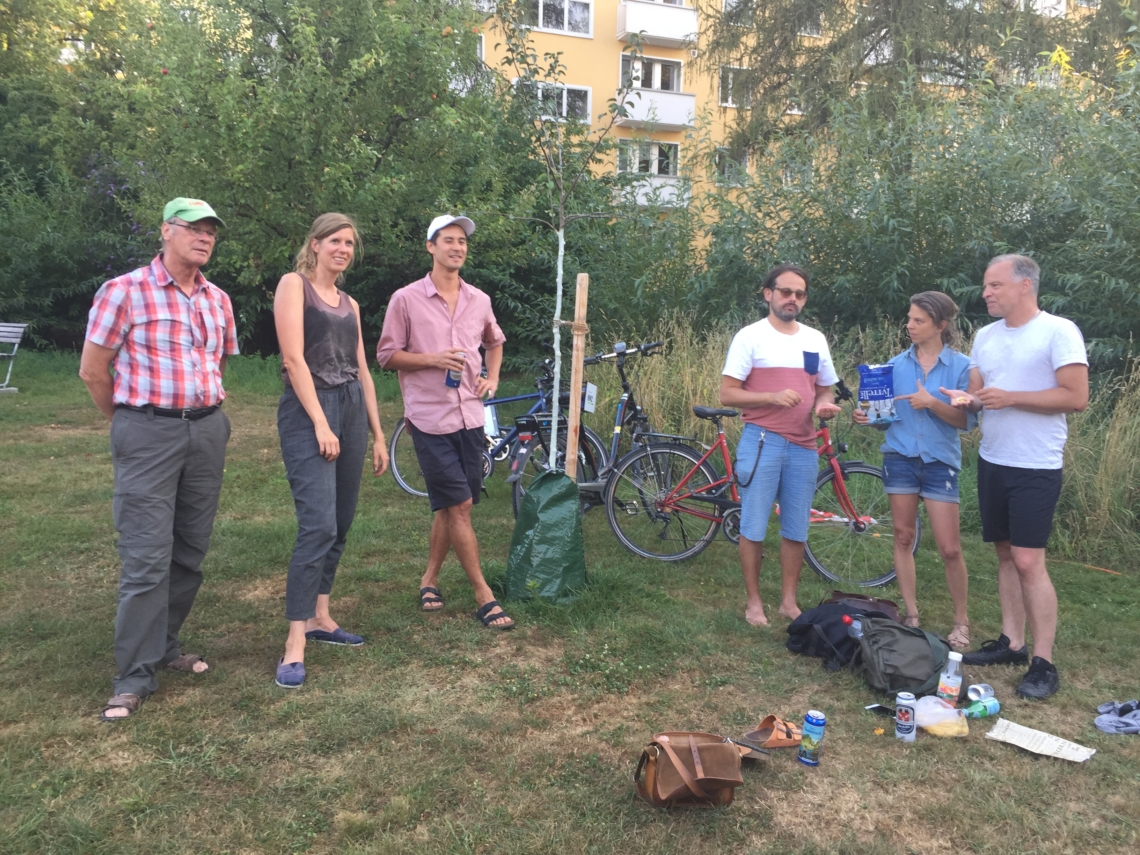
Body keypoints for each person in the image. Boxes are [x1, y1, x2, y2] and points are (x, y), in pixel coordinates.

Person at [79, 198, 238, 721]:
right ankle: (132, 676)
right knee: (146, 557)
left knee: (190, 548)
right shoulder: (123, 291)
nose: (205, 237)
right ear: (166, 231)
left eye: (211, 231)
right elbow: (93, 371)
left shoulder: (218, 299)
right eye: (194, 228)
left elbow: (214, 364)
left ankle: (164, 646)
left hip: (207, 430)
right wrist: (131, 422)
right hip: (147, 431)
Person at [942, 254, 1088, 700]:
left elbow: (1075, 397)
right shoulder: (985, 336)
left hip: (1036, 464)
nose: (985, 293)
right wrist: (970, 400)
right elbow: (986, 394)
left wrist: (1012, 398)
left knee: (1029, 561)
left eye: (995, 285)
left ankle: (1043, 662)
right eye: (986, 286)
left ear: (1025, 285)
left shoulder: (1059, 331)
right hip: (994, 458)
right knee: (1005, 554)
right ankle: (1012, 643)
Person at [376, 214, 513, 630]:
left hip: (470, 415)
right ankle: (483, 596)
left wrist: (492, 377)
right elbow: (386, 355)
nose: (457, 247)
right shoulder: (406, 299)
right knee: (463, 505)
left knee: (450, 505)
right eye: (448, 240)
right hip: (429, 418)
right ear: (430, 247)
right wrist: (432, 359)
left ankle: (429, 579)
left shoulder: (480, 300)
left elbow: (495, 342)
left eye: (463, 242)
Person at [273, 213, 389, 689]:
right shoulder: (292, 286)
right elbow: (292, 358)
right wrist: (321, 422)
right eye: (335, 241)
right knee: (317, 523)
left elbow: (363, 369)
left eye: (349, 243)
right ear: (315, 244)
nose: (343, 249)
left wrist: (379, 433)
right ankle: (294, 641)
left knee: (340, 521)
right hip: (309, 410)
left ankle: (322, 616)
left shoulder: (351, 303)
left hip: (350, 408)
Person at [719, 264, 841, 626]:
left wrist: (823, 405)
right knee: (754, 525)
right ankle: (753, 601)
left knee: (796, 527)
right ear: (767, 293)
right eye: (785, 291)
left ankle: (789, 601)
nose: (792, 299)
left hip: (804, 444)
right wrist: (771, 396)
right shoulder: (750, 337)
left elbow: (824, 386)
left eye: (800, 294)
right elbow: (727, 393)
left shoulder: (815, 339)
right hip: (762, 441)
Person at [852, 292, 976, 649]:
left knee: (949, 547)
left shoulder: (962, 368)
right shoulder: (894, 366)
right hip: (900, 458)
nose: (909, 325)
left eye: (918, 320)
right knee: (903, 537)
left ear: (941, 325)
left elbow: (966, 421)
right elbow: (883, 419)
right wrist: (866, 417)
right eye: (908, 318)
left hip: (940, 463)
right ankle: (911, 614)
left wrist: (932, 403)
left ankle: (961, 622)